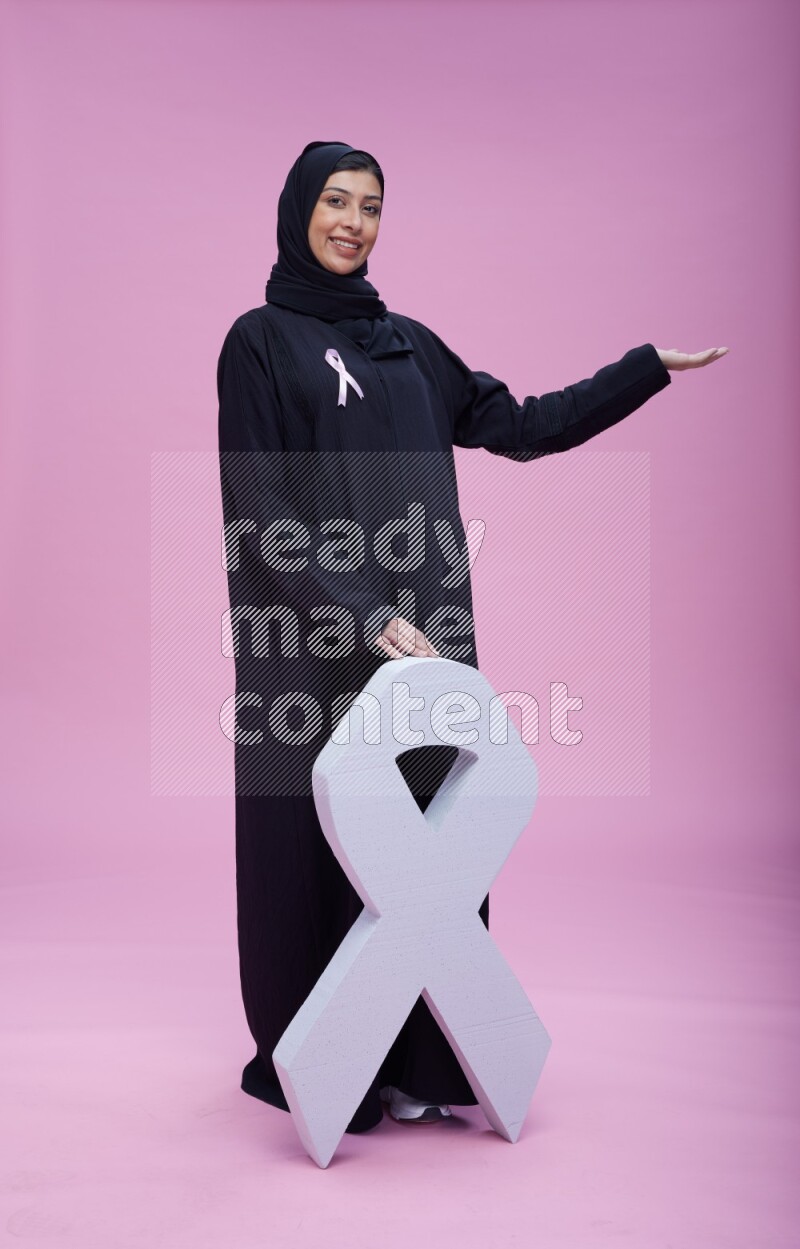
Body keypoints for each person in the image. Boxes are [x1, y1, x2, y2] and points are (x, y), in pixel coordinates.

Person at [217, 139, 728, 1132]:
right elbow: (262, 506)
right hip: (314, 647)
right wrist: (364, 615)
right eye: (335, 201)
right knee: (318, 849)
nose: (352, 222)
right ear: (297, 209)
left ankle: (421, 1061)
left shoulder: (408, 343)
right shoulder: (261, 341)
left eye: (370, 206)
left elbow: (522, 424)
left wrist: (642, 372)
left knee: (427, 851)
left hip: (423, 648)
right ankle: (330, 1073)